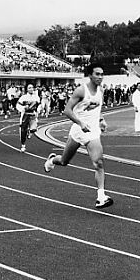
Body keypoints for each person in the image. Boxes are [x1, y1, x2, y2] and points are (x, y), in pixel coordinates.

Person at [44, 62, 113, 209]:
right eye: (97, 74)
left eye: (102, 74)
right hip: (78, 130)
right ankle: (52, 160)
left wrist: (101, 120)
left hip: (93, 132)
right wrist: (80, 123)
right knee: (64, 161)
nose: (100, 77)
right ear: (90, 75)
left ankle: (101, 196)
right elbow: (67, 110)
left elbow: (97, 110)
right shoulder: (81, 91)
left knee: (99, 162)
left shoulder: (101, 91)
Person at [16, 83, 40, 152]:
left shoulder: (36, 97)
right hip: (25, 115)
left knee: (34, 129)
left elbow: (39, 105)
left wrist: (38, 110)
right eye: (29, 88)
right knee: (23, 130)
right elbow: (18, 105)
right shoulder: (23, 97)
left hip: (33, 115)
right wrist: (23, 108)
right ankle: (23, 145)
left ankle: (30, 132)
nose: (31, 89)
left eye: (32, 87)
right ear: (27, 89)